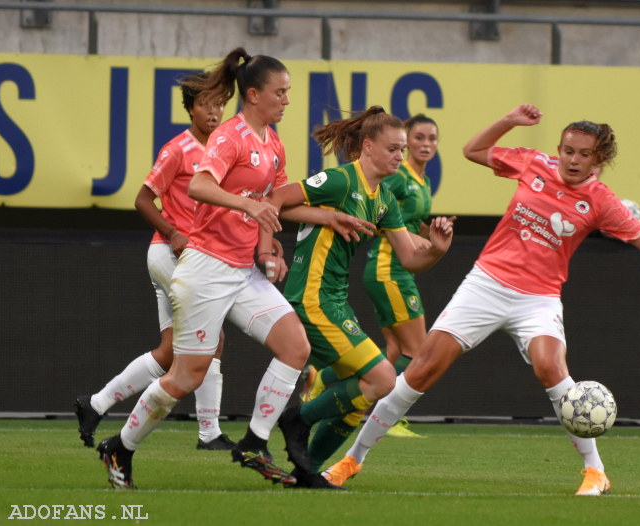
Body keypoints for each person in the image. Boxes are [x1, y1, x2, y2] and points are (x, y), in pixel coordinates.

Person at [325, 104, 640, 494]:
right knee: (423, 369)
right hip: (486, 284)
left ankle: (596, 472)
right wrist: (509, 120)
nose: (572, 160)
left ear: (598, 159)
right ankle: (353, 459)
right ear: (558, 149)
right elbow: (473, 151)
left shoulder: (602, 201)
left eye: (583, 154)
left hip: (538, 298)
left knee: (551, 369)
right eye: (567, 150)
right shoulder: (535, 163)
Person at [94, 49, 376, 490]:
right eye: (279, 93)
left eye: (288, 93)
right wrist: (250, 205)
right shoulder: (230, 136)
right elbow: (203, 185)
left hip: (242, 270)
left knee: (295, 347)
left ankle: (254, 442)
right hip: (205, 269)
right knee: (185, 376)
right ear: (253, 94)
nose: (286, 101)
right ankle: (121, 446)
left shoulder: (273, 142)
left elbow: (277, 204)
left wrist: (327, 218)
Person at [263, 106, 453, 486]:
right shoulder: (339, 181)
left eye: (403, 150)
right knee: (383, 379)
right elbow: (274, 197)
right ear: (367, 147)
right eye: (393, 149)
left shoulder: (382, 199)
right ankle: (296, 418)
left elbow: (409, 257)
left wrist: (436, 250)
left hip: (334, 301)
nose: (400, 156)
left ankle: (306, 473)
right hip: (312, 298)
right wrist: (268, 251)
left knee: (364, 393)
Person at [74, 72, 238, 451]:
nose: (213, 112)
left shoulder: (221, 149)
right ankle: (209, 433)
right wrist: (173, 232)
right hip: (169, 254)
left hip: (194, 257)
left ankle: (94, 404)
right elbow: (143, 199)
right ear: (190, 108)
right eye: (205, 105)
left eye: (218, 104)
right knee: (212, 336)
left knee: (169, 352)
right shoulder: (177, 149)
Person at [301, 114, 450, 440]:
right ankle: (373, 411)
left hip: (374, 278)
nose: (422, 146)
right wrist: (332, 217)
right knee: (411, 354)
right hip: (378, 273)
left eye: (432, 138)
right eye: (416, 139)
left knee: (389, 359)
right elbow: (274, 202)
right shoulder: (370, 178)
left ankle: (323, 396)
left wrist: (433, 240)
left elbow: (408, 241)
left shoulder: (405, 188)